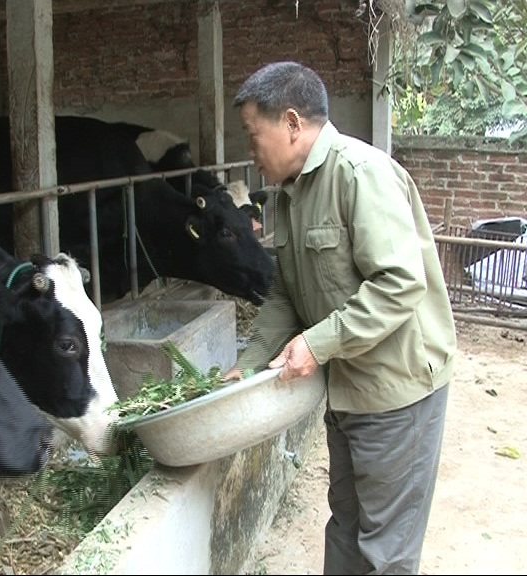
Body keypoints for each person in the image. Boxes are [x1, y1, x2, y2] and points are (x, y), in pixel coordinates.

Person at [224, 61, 457, 575]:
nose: (250, 152)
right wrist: (249, 363)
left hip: (396, 391)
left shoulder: (360, 173)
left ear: (291, 123)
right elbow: (286, 291)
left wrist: (316, 344)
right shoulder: (289, 195)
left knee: (385, 550)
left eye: (252, 135)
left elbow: (399, 283)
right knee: (347, 527)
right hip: (349, 389)